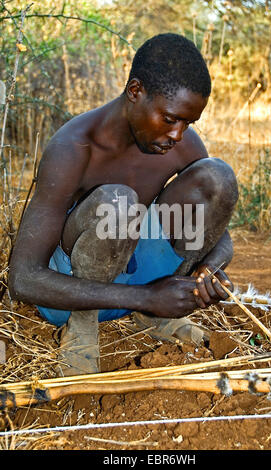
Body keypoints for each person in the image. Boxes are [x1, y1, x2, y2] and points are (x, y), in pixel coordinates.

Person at [8, 33, 239, 376]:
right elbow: (22, 279)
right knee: (118, 204)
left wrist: (208, 272)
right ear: (135, 92)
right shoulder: (73, 147)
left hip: (146, 288)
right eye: (171, 118)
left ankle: (155, 320)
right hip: (73, 297)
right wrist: (145, 298)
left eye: (189, 123)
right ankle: (83, 333)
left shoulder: (181, 144)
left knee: (217, 177)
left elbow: (217, 234)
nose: (179, 135)